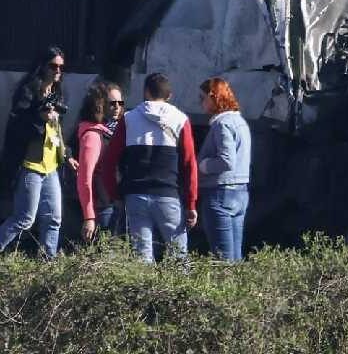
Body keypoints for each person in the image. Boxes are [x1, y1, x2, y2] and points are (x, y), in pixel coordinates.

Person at [99, 73, 198, 262]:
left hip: (135, 196)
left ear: (145, 92)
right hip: (168, 195)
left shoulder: (128, 119)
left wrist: (116, 195)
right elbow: (189, 163)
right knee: (178, 257)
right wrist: (191, 203)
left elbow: (109, 161)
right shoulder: (180, 119)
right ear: (169, 96)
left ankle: (143, 292)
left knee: (142, 258)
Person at [0, 47, 78, 257]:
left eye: (61, 67)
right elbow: (16, 128)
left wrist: (68, 155)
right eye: (53, 66)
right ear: (42, 66)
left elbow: (57, 131)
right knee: (24, 218)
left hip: (51, 166)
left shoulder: (57, 93)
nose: (58, 71)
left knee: (54, 219)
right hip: (30, 165)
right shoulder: (28, 91)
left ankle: (48, 264)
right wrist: (39, 118)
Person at [197, 77, 252, 261]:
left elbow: (227, 161)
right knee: (235, 257)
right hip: (240, 192)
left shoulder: (222, 124)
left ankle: (226, 289)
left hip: (221, 194)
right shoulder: (240, 122)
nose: (200, 103)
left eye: (202, 98)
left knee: (223, 259)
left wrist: (202, 165)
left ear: (213, 97)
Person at [75, 81, 125, 241]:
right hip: (103, 207)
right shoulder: (93, 135)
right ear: (100, 105)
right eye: (112, 103)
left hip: (115, 202)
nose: (117, 107)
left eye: (120, 102)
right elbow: (85, 179)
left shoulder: (116, 130)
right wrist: (89, 217)